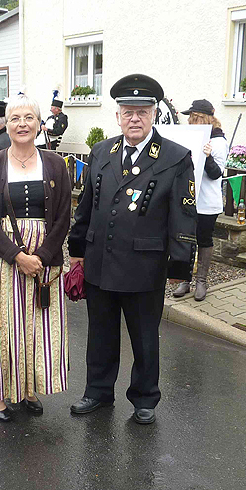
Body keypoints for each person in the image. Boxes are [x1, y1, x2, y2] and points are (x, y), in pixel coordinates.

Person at [67, 74, 197, 425]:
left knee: (144, 338)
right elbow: (86, 206)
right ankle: (97, 391)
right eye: (128, 112)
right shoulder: (101, 152)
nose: (134, 118)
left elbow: (184, 217)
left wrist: (179, 267)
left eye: (142, 111)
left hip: (144, 265)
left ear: (154, 114)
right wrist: (76, 249)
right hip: (100, 261)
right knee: (100, 334)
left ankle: (144, 398)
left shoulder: (175, 157)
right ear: (118, 116)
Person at [0, 93, 71, 421]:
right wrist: (18, 256)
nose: (21, 124)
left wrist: (42, 256)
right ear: (7, 123)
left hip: (44, 262)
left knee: (37, 326)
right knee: (4, 328)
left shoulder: (56, 164)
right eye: (15, 118)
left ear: (39, 123)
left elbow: (62, 218)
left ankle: (28, 389)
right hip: (5, 260)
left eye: (28, 117)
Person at [173, 100, 228, 301]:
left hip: (207, 202)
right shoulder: (190, 138)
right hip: (189, 198)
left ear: (201, 118)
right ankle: (184, 280)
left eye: (192, 117)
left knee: (203, 239)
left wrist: (208, 157)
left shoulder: (218, 142)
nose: (189, 120)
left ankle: (201, 281)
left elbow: (216, 174)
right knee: (186, 239)